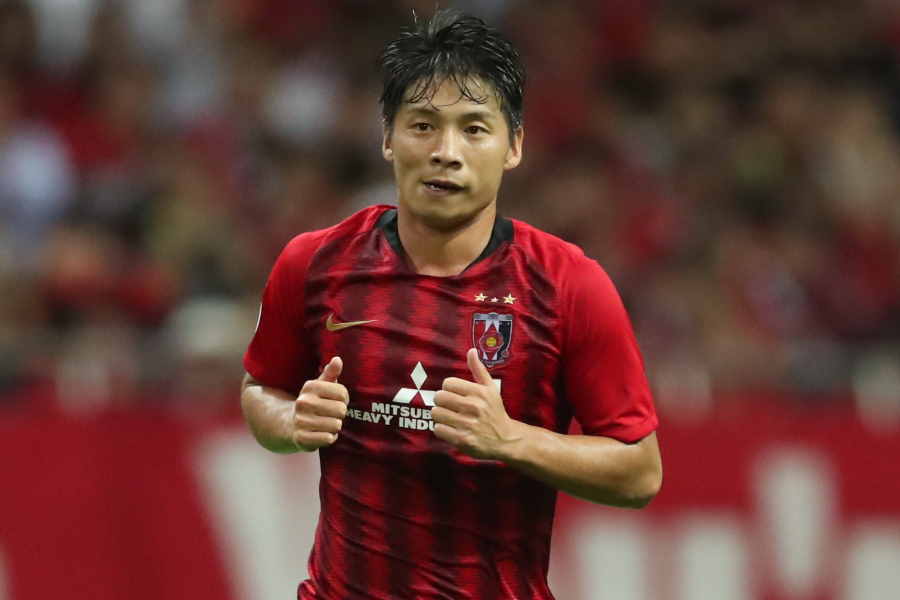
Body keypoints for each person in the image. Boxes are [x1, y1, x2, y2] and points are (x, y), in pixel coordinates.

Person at [241, 9, 662, 600]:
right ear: (387, 137)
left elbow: (640, 471)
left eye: (474, 128)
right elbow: (261, 389)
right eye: (422, 125)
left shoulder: (569, 285)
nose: (446, 151)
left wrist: (511, 440)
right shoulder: (313, 263)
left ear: (513, 146)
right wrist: (290, 421)